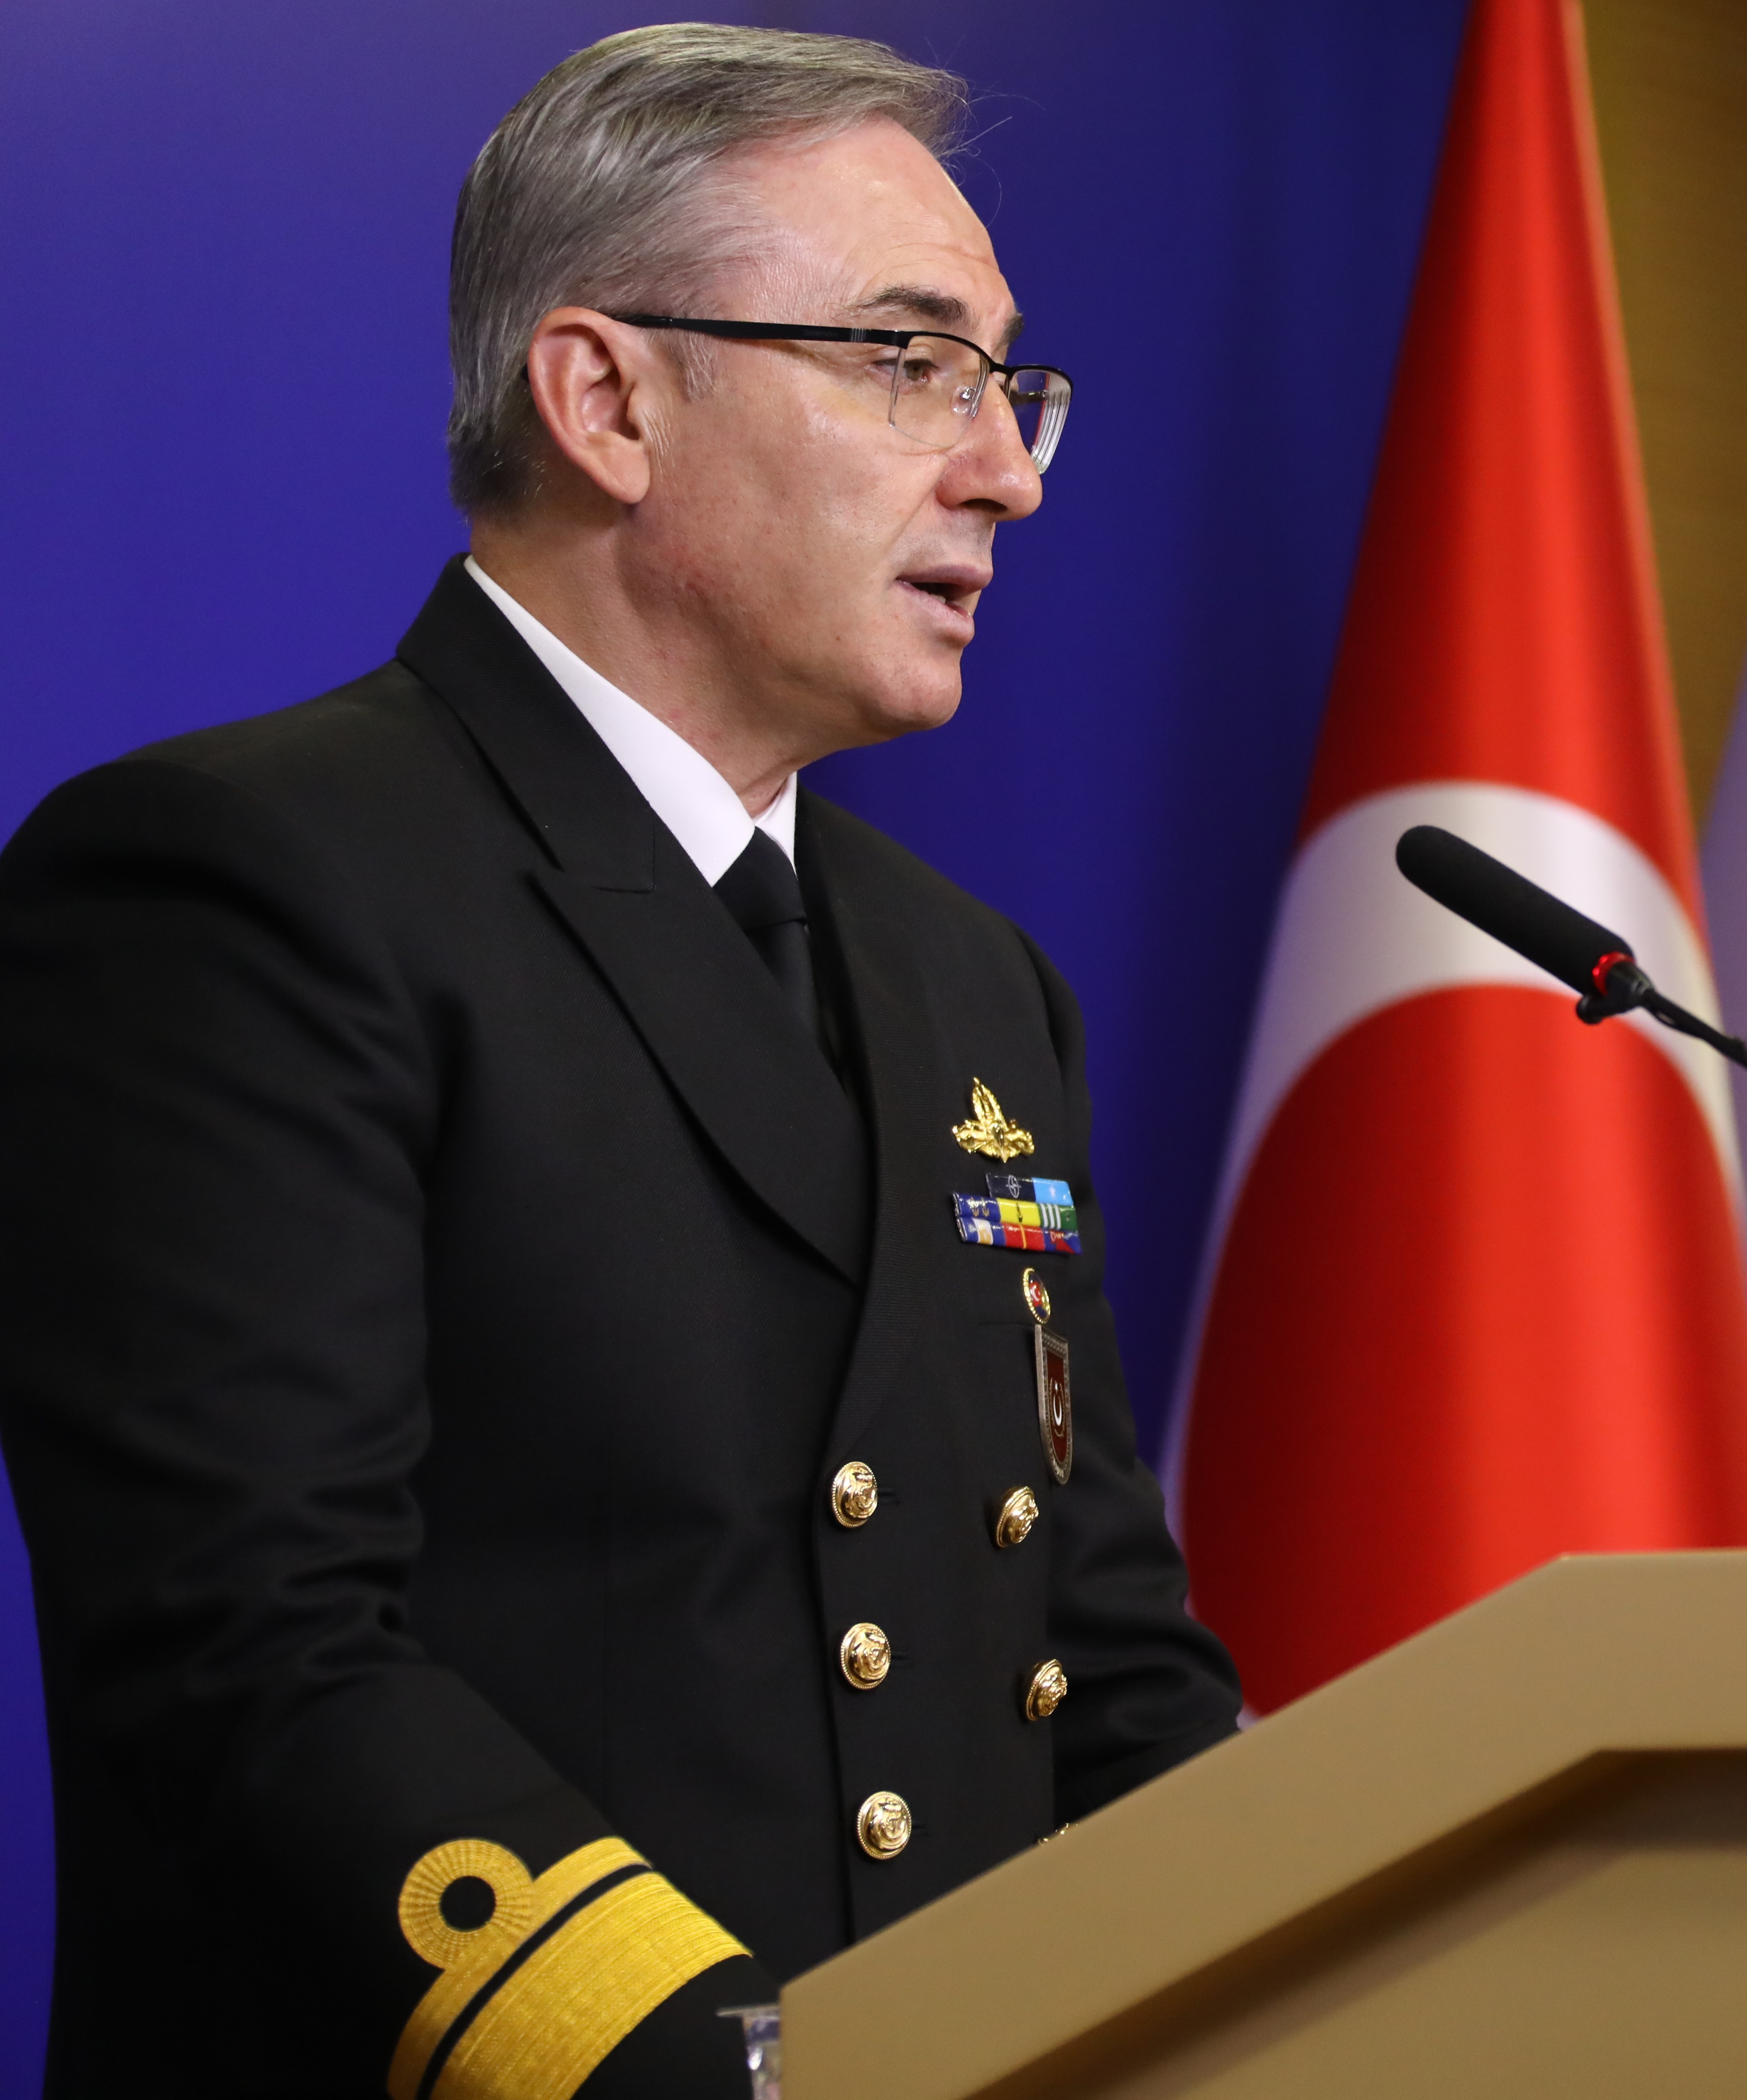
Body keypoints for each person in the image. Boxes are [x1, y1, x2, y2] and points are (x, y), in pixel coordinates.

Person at [0, 25, 1240, 2096]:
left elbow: (1098, 1656)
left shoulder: (974, 986)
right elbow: (252, 1650)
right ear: (607, 401)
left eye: (1006, 384)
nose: (1005, 470)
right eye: (910, 363)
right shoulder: (240, 879)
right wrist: (742, 2071)